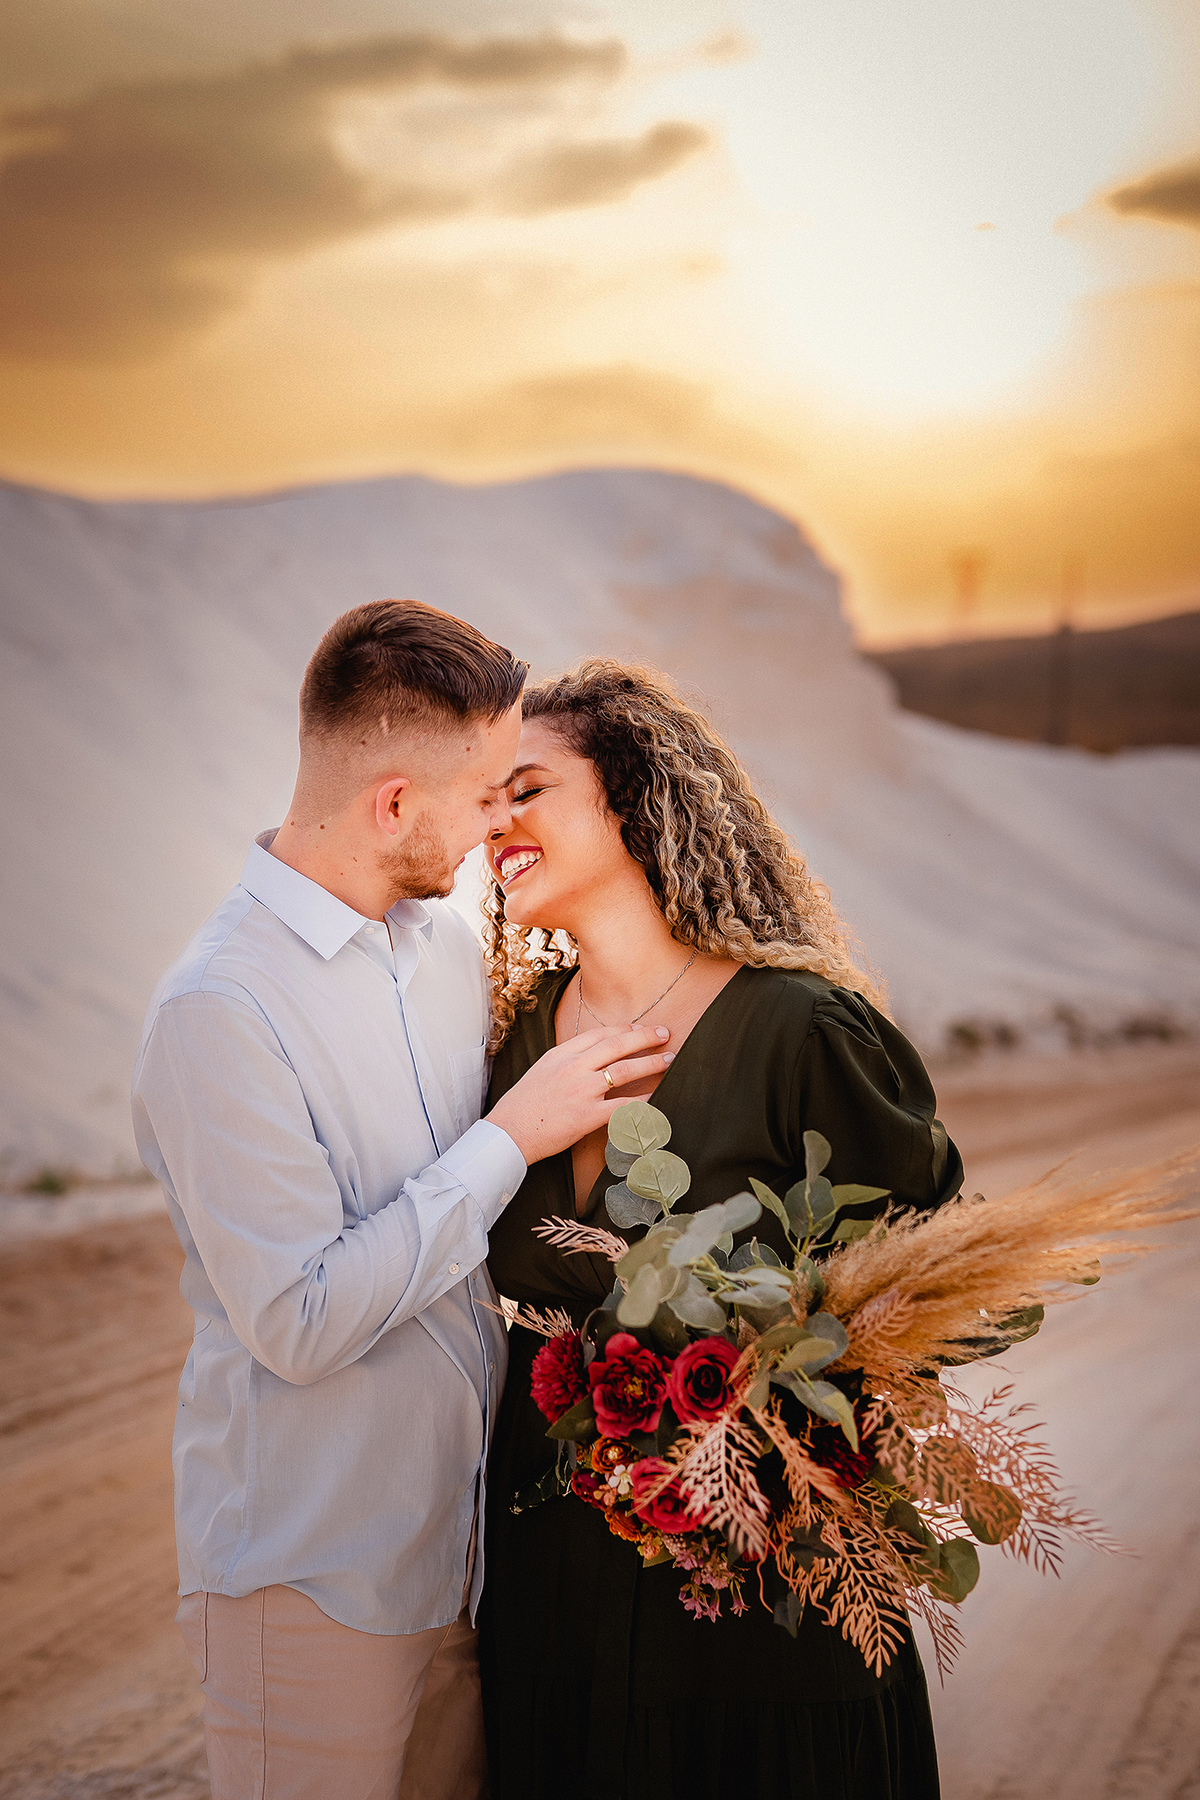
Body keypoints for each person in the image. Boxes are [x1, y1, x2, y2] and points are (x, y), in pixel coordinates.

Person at [131, 604, 676, 1800]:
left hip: (465, 1566)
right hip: (311, 1588)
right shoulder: (219, 1013)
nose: (502, 826)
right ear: (393, 804)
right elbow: (299, 1319)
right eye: (487, 796)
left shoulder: (439, 951)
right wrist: (507, 1137)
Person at [480, 661, 963, 1800]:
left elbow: (930, 1305)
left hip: (761, 1588)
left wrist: (765, 1403)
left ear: (634, 796)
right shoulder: (510, 1044)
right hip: (556, 1597)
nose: (491, 822)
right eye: (484, 799)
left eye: (528, 789)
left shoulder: (805, 1029)